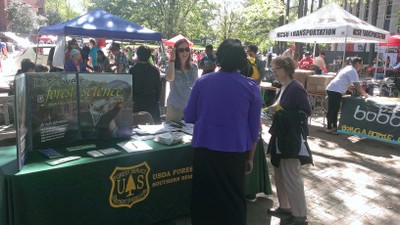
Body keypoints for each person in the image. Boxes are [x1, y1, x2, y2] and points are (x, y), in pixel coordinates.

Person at [184, 38, 262, 225]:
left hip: (205, 150)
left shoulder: (202, 82)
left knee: (204, 198)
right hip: (234, 153)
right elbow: (254, 130)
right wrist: (250, 157)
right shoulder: (251, 88)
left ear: (219, 58)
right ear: (242, 60)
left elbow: (189, 116)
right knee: (232, 200)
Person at [267, 56, 312, 225]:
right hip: (281, 135)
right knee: (280, 172)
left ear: (286, 69)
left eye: (276, 69)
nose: (274, 72)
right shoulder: (283, 87)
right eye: (273, 69)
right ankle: (285, 207)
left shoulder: (296, 87)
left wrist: (282, 113)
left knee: (291, 174)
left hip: (291, 137)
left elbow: (305, 112)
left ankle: (300, 215)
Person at [325, 57, 368, 133]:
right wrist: (364, 93)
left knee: (335, 109)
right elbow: (357, 85)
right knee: (333, 109)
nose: (361, 67)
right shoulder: (352, 71)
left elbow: (344, 81)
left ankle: (334, 126)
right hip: (335, 90)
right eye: (361, 65)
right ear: (357, 63)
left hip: (333, 89)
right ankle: (329, 127)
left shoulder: (348, 68)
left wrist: (351, 90)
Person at [165, 38, 198, 122]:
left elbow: (195, 87)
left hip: (190, 108)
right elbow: (170, 78)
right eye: (181, 50)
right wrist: (172, 60)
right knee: (172, 134)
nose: (184, 53)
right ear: (176, 52)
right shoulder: (171, 67)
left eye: (187, 49)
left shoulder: (194, 67)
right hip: (175, 108)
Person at [129, 45, 162, 124]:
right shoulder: (154, 70)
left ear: (138, 55)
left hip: (137, 102)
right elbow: (159, 88)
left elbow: (130, 88)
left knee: (137, 127)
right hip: (152, 103)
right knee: (155, 128)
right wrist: (156, 99)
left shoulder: (133, 70)